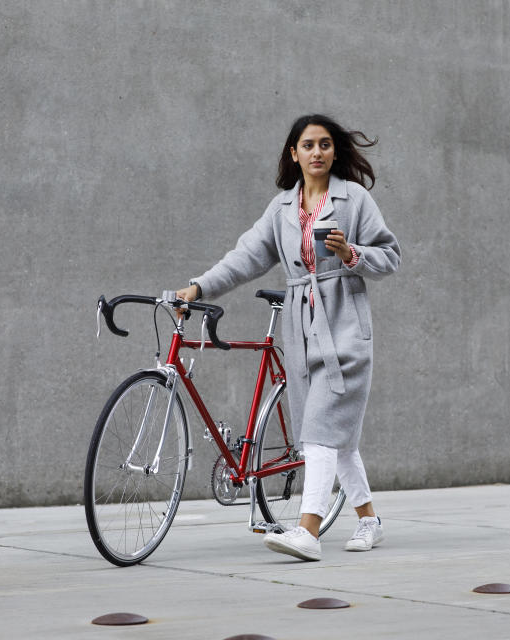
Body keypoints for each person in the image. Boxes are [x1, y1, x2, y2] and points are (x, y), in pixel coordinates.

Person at [175, 114, 401, 561]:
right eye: (308, 145)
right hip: (299, 332)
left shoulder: (353, 199)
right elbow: (245, 257)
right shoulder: (281, 209)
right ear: (293, 153)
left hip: (345, 329)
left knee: (318, 430)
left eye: (325, 144)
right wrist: (199, 286)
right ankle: (370, 519)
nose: (317, 152)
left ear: (335, 152)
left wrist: (350, 253)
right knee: (339, 441)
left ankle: (308, 530)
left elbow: (390, 256)